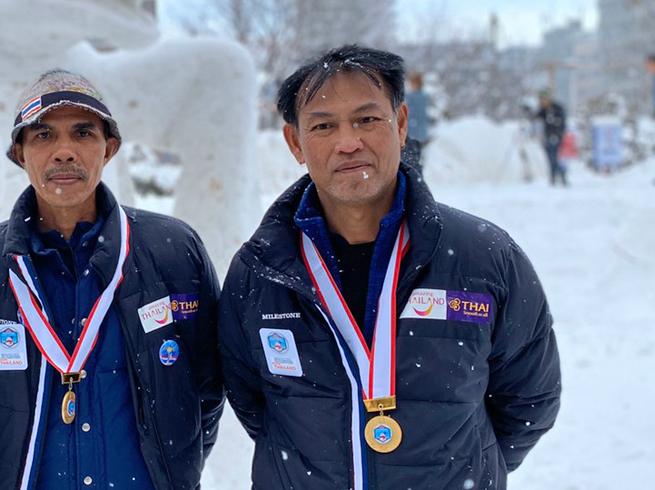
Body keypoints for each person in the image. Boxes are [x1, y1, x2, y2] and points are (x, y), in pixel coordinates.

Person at [218, 45, 560, 490]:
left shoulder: (484, 257)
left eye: (367, 119)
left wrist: (463, 472)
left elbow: (529, 399)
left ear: (400, 125)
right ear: (295, 143)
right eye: (323, 125)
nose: (348, 142)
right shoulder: (260, 269)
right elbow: (252, 401)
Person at [0, 69, 224, 490]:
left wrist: (176, 462)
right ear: (20, 153)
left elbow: (206, 382)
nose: (64, 152)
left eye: (83, 134)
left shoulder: (170, 248)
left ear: (108, 149)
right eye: (43, 136)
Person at [535, 88, 569, 186]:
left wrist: (558, 132)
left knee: (553, 157)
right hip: (547, 136)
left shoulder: (557, 108)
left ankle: (560, 174)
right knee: (550, 158)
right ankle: (554, 176)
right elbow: (535, 117)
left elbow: (561, 122)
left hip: (555, 136)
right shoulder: (543, 110)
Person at [401, 72, 429, 174]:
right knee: (416, 158)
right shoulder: (423, 96)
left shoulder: (412, 97)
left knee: (410, 159)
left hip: (413, 132)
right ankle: (417, 177)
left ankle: (414, 178)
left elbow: (409, 113)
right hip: (420, 132)